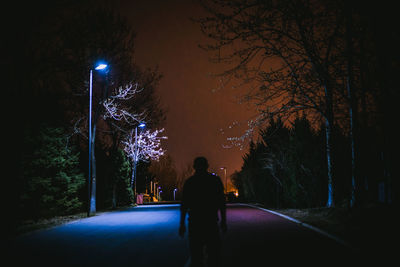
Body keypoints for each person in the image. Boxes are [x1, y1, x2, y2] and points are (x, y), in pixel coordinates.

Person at [179, 157, 227, 267]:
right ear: (207, 166)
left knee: (196, 257)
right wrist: (224, 221)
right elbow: (221, 203)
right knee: (214, 256)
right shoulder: (215, 181)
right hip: (211, 222)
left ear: (194, 167)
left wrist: (182, 224)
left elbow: (184, 205)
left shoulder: (190, 183)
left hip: (195, 224)